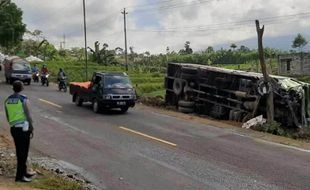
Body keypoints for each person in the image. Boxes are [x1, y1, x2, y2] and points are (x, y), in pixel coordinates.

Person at [4, 81, 35, 182]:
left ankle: (24, 172)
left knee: (20, 151)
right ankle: (20, 176)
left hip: (14, 128)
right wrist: (31, 127)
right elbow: (28, 115)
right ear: (22, 88)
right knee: (23, 153)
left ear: (13, 88)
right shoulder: (23, 100)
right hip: (23, 129)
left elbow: (8, 116)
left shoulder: (7, 100)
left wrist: (13, 124)